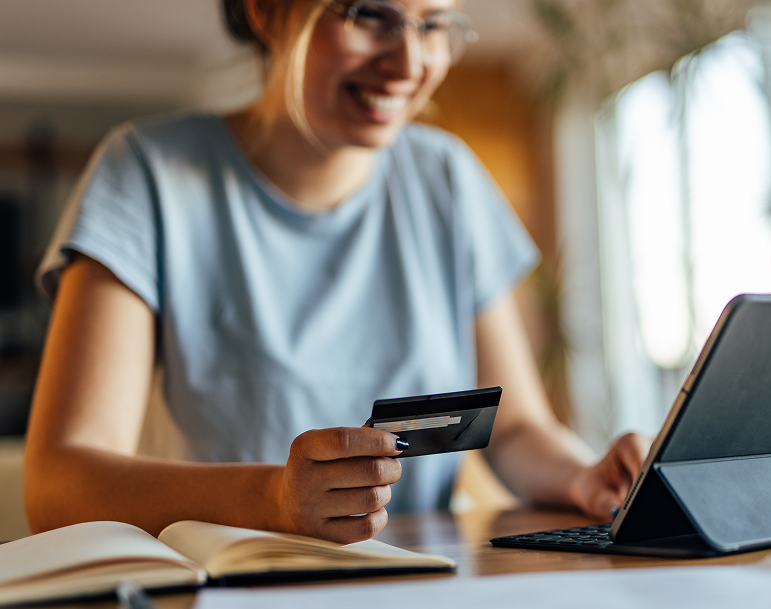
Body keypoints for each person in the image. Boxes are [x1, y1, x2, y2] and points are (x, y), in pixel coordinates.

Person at [23, 0, 651, 544]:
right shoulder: (146, 174)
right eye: (369, 14)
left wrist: (582, 476)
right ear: (267, 11)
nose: (410, 64)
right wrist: (274, 499)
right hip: (232, 599)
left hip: (421, 589)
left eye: (434, 25)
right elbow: (60, 484)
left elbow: (514, 429)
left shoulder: (448, 179)